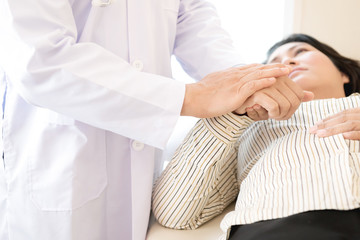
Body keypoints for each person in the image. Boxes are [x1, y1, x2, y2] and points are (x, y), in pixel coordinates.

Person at [0, 1, 312, 240]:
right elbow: (39, 59)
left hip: (138, 161)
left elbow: (192, 18)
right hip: (62, 153)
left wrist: (246, 83)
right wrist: (190, 97)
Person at [152, 33, 360, 240]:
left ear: (343, 73)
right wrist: (233, 114)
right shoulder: (245, 130)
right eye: (274, 63)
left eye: (301, 51)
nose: (287, 61)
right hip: (275, 227)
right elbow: (174, 213)